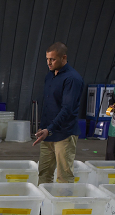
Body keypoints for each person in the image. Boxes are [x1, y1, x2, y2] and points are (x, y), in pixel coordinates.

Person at [33, 42, 83, 184]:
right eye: (47, 59)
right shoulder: (50, 76)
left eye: (52, 59)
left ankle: (62, 204)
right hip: (48, 133)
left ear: (63, 57)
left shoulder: (72, 79)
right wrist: (44, 128)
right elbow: (50, 105)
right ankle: (44, 206)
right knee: (44, 173)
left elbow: (67, 109)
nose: (49, 63)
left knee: (64, 176)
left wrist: (50, 129)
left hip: (64, 134)